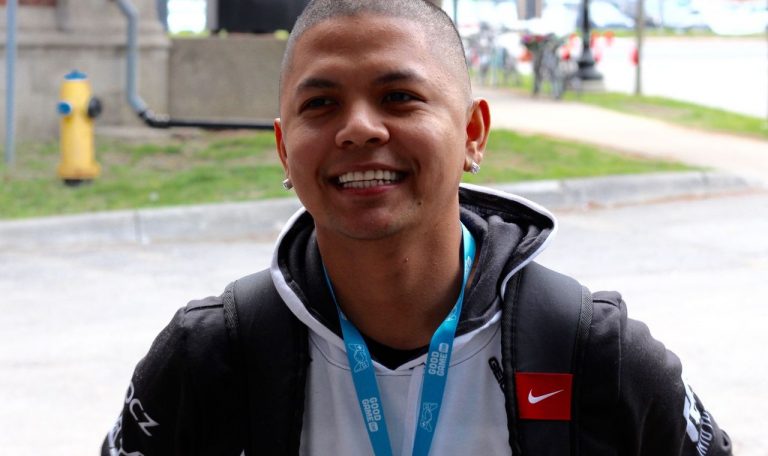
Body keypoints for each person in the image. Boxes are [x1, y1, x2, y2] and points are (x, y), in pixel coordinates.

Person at [102, 1, 732, 455]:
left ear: (472, 133)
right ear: (284, 150)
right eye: (320, 104)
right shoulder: (210, 356)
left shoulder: (590, 350)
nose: (359, 128)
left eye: (399, 96)